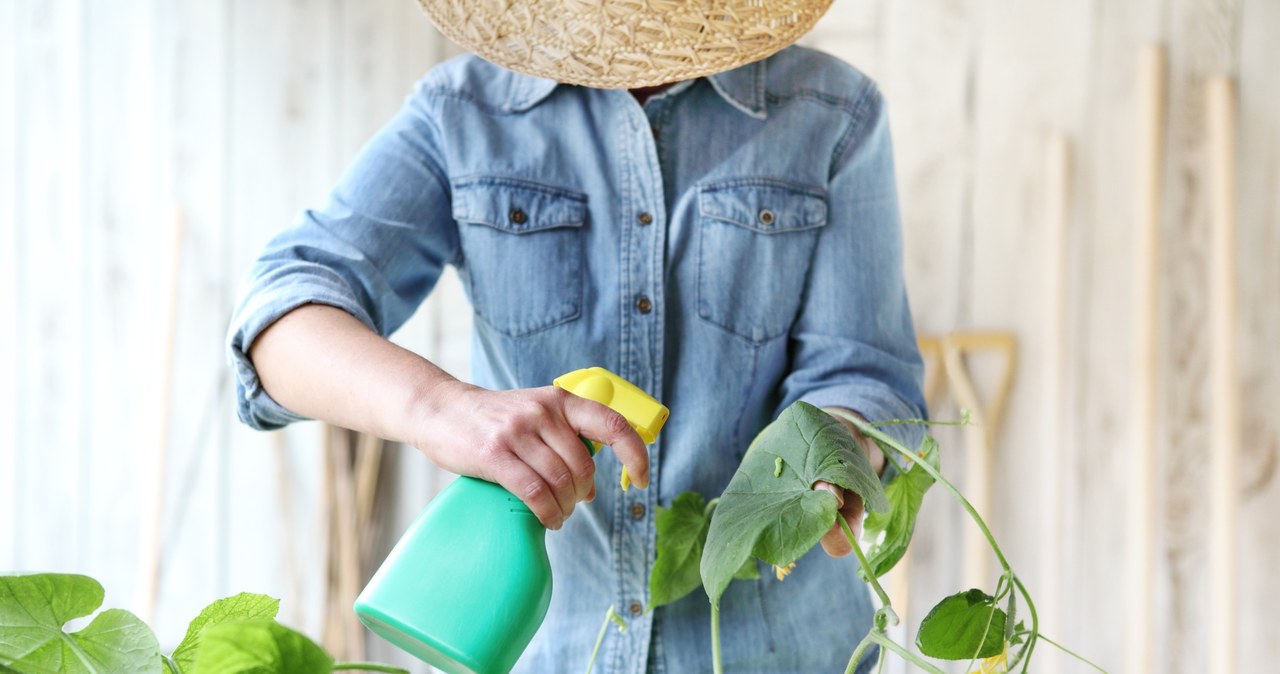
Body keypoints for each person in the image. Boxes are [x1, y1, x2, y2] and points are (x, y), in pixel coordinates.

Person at [226, 1, 926, 672]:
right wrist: (444, 409)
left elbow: (864, 373)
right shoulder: (461, 111)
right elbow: (278, 319)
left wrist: (838, 449)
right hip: (539, 649)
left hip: (784, 651)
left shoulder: (833, 113)